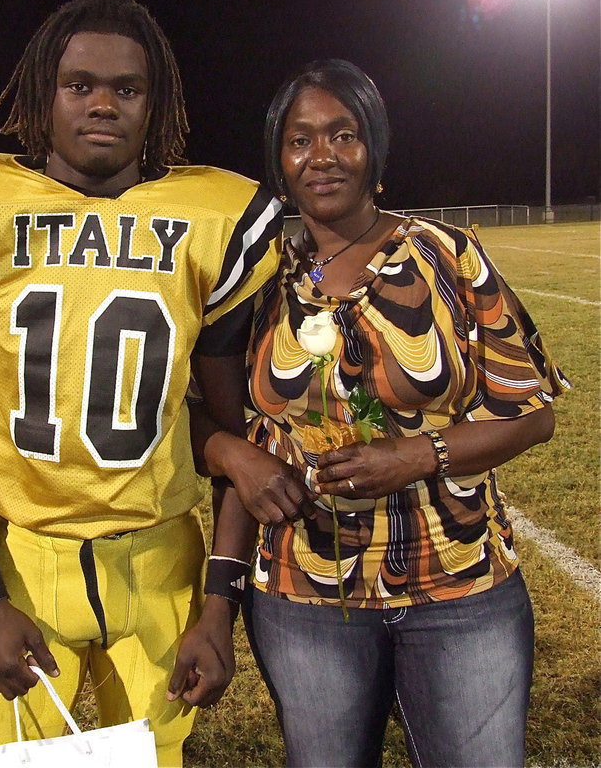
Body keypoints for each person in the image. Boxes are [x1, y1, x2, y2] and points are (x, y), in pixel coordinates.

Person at [0, 0, 309, 766]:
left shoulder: (210, 222)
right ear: (41, 94)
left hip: (161, 564)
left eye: (128, 88)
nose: (103, 103)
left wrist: (218, 605)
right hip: (25, 562)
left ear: (156, 104)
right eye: (79, 85)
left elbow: (229, 435)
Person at [211, 59, 570, 768]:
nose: (320, 155)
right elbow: (209, 418)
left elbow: (532, 414)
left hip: (459, 584)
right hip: (302, 598)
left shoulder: (445, 254)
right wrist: (232, 455)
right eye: (299, 139)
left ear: (374, 149)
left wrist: (417, 455)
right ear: (278, 163)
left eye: (342, 135)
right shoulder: (257, 279)